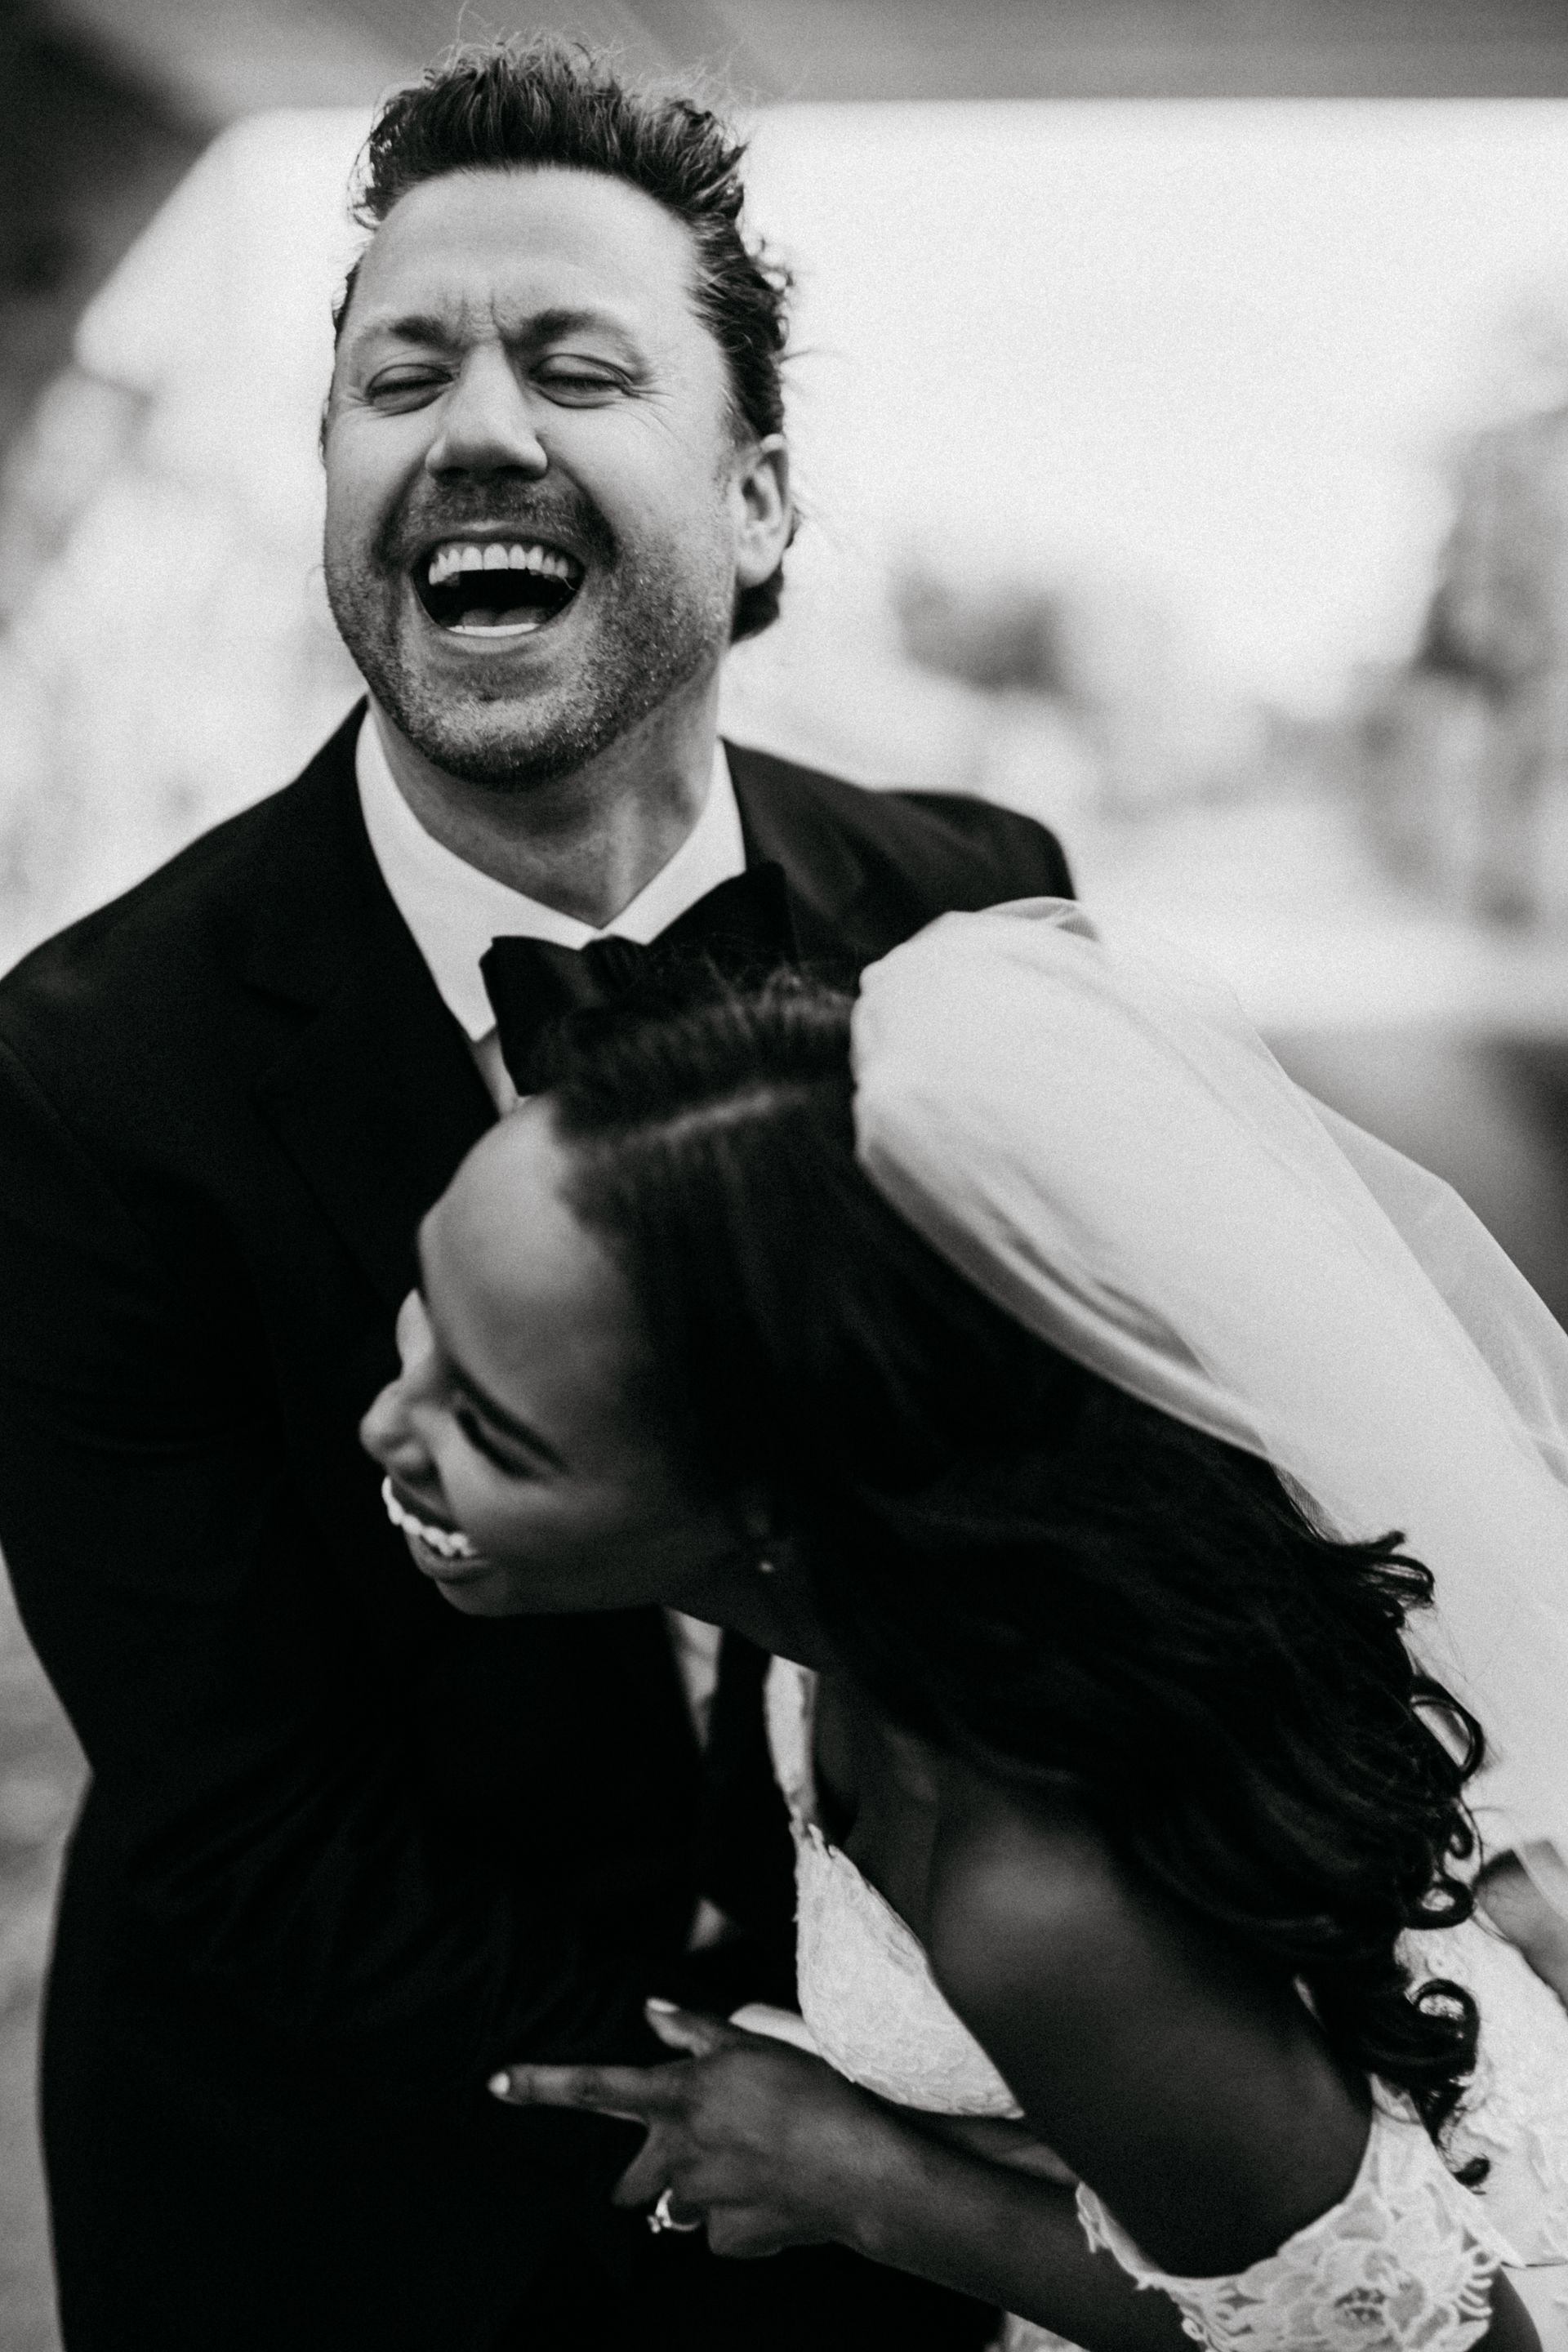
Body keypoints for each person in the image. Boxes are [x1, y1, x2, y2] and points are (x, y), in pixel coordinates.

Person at [0, 39, 1071, 2352]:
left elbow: (1084, 1538)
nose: (473, 424)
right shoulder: (85, 1073)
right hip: (335, 2208)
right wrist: (754, 2102)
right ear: (339, 494)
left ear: (761, 502)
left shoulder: (979, 922)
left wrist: (954, 2133)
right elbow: (247, 1807)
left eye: (577, 364)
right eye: (400, 374)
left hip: (916, 2185)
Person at [362, 902, 1568, 2352]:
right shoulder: (939, 1571)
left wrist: (866, 2181)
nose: (388, 1420)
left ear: (776, 1497)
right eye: (428, 1317)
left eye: (495, 1427)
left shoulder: (1042, 1893)